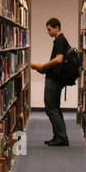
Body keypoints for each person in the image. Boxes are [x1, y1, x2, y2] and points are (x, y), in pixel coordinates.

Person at [30, 18, 71, 146]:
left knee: (51, 108)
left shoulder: (60, 40)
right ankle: (58, 136)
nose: (48, 32)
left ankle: (61, 137)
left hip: (54, 79)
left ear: (57, 27)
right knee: (55, 108)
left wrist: (44, 66)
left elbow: (59, 59)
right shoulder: (61, 40)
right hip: (55, 78)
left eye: (49, 29)